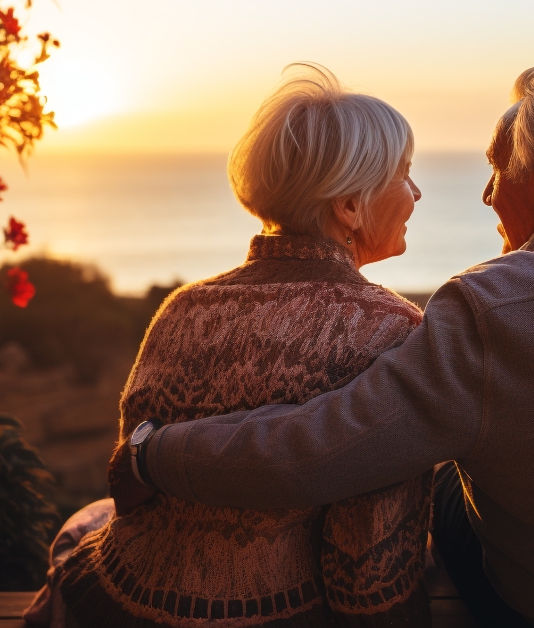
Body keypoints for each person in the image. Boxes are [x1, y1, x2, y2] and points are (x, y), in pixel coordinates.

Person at [116, 65, 534, 628]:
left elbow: (316, 451)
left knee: (434, 475)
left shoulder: (489, 305)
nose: (487, 195)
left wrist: (154, 453)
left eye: (496, 171)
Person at [25, 63, 434, 627]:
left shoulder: (182, 309)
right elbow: (368, 562)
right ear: (349, 205)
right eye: (405, 174)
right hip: (274, 615)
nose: (417, 192)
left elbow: (131, 489)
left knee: (82, 524)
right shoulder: (390, 329)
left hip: (122, 599)